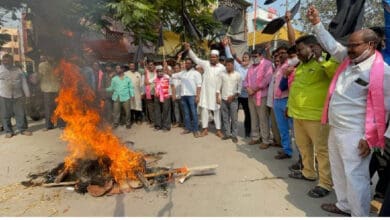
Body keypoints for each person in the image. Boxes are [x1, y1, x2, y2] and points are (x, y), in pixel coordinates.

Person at [308, 5, 390, 216]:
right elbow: (332, 46)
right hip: (336, 128)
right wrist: (317, 23)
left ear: (371, 45)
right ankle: (344, 205)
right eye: (349, 45)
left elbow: (386, 110)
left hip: (356, 134)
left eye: (354, 45)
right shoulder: (349, 60)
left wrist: (369, 138)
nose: (349, 48)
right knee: (339, 171)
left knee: (356, 177)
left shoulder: (383, 73)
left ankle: (359, 214)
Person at [286, 34, 335, 199]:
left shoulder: (327, 61)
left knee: (321, 151)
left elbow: (334, 75)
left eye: (300, 50)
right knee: (303, 147)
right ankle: (308, 172)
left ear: (312, 47)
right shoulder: (301, 65)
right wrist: (289, 107)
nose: (297, 53)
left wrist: (321, 59)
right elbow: (296, 88)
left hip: (316, 117)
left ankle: (325, 183)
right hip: (298, 115)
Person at [185, 42, 225, 138]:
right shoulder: (206, 64)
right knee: (205, 111)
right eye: (211, 57)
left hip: (216, 93)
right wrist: (189, 49)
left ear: (218, 58)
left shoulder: (222, 68)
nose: (212, 58)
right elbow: (196, 59)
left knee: (216, 111)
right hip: (206, 93)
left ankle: (218, 130)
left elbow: (223, 81)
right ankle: (205, 129)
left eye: (214, 57)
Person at [244, 48, 273, 148]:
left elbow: (267, 79)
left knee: (263, 118)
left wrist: (254, 89)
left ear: (261, 55)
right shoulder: (251, 67)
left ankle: (266, 140)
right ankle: (256, 137)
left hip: (261, 96)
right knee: (254, 117)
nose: (254, 58)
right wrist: (247, 88)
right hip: (251, 96)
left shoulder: (267, 64)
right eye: (253, 56)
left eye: (255, 56)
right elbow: (245, 80)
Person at [223, 37, 251, 138]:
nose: (244, 59)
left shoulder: (251, 69)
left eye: (246, 58)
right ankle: (230, 131)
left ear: (249, 60)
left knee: (248, 115)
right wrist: (228, 45)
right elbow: (230, 56)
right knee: (233, 114)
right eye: (243, 58)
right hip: (237, 95)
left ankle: (248, 132)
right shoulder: (238, 67)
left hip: (247, 96)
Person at [0, 54, 32, 138]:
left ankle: (23, 129)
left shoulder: (18, 70)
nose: (5, 62)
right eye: (4, 61)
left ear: (12, 61)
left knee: (20, 113)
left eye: (7, 61)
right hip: (4, 95)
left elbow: (24, 83)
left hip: (18, 95)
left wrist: (27, 95)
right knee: (5, 114)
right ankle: (8, 131)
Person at [272, 45, 294, 159]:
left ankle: (302, 158)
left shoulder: (291, 66)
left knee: (293, 129)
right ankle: (287, 150)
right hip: (277, 101)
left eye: (283, 53)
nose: (281, 55)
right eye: (279, 54)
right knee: (282, 128)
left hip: (286, 100)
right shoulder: (278, 67)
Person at [173, 58, 202, 137]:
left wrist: (198, 96)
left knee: (194, 113)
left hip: (192, 96)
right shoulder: (182, 73)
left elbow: (199, 86)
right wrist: (165, 67)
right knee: (186, 113)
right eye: (186, 63)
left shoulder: (196, 73)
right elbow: (172, 75)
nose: (187, 64)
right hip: (184, 96)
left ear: (192, 64)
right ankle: (188, 128)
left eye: (189, 63)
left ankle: (196, 130)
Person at [217, 58, 241, 143]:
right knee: (225, 118)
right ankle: (227, 134)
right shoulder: (222, 74)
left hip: (233, 100)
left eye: (229, 65)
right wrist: (218, 97)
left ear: (233, 65)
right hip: (223, 99)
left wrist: (233, 96)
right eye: (226, 65)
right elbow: (218, 87)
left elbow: (239, 89)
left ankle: (234, 135)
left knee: (234, 118)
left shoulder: (238, 75)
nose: (228, 66)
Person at [38, 55, 64, 131]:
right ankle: (49, 125)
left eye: (51, 56)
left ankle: (61, 124)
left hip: (57, 89)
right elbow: (39, 76)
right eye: (49, 56)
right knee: (48, 109)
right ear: (46, 57)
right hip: (47, 90)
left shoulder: (59, 65)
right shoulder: (42, 65)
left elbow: (62, 76)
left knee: (60, 107)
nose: (50, 58)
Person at [106, 65, 134, 129]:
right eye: (116, 68)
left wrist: (132, 95)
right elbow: (112, 88)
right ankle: (116, 123)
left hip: (126, 97)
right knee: (116, 111)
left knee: (127, 112)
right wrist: (105, 89)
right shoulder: (114, 79)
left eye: (118, 68)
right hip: (117, 97)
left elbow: (131, 88)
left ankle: (128, 123)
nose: (117, 70)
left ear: (122, 69)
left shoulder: (127, 79)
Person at [153, 65, 172, 131]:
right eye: (158, 72)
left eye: (161, 71)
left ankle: (166, 126)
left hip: (166, 96)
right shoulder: (155, 77)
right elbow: (147, 83)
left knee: (166, 111)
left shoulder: (167, 77)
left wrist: (166, 66)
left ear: (163, 71)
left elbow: (171, 85)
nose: (160, 73)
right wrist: (146, 73)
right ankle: (158, 125)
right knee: (157, 111)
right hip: (157, 97)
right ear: (156, 72)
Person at [144, 60, 157, 125]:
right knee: (150, 107)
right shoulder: (147, 73)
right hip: (148, 92)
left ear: (154, 66)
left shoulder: (157, 72)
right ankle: (152, 121)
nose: (150, 66)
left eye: (152, 64)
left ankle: (157, 120)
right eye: (149, 65)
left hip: (156, 92)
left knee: (156, 107)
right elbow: (145, 83)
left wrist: (149, 82)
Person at [171, 63, 184, 128]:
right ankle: (178, 122)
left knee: (183, 110)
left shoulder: (183, 75)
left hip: (182, 95)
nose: (176, 69)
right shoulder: (173, 76)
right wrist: (173, 95)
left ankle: (184, 122)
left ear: (180, 68)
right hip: (175, 95)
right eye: (175, 68)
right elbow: (172, 85)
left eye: (177, 68)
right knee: (176, 109)